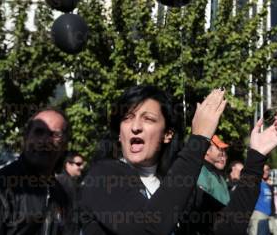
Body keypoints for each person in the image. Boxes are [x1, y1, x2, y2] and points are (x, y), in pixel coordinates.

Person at [79, 85, 228, 234]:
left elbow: (229, 225)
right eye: (127, 118)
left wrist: (252, 165)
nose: (135, 127)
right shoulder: (102, 176)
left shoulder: (175, 185)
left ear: (167, 135)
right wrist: (199, 139)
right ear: (119, 132)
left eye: (148, 119)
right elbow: (148, 229)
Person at [0, 107, 75, 234]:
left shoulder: (60, 193)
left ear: (65, 144)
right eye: (39, 132)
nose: (44, 141)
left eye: (55, 135)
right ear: (25, 137)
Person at [179, 115, 277, 235]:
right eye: (219, 149)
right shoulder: (200, 173)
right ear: (207, 150)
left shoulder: (218, 176)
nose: (223, 154)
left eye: (224, 151)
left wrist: (257, 155)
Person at [248, 164, 275, 235]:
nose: (265, 171)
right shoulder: (256, 182)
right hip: (258, 215)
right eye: (263, 169)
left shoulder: (266, 184)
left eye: (267, 169)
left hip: (267, 216)